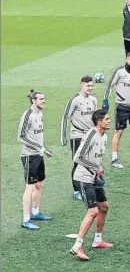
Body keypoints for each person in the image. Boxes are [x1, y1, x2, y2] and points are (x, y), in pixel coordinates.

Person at [70, 109, 113, 261]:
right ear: (99, 122)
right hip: (83, 178)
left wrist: (98, 171)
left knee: (104, 207)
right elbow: (78, 157)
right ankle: (77, 245)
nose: (109, 121)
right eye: (107, 119)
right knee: (93, 211)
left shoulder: (105, 136)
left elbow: (97, 158)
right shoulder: (91, 135)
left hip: (94, 177)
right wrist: (96, 168)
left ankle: (98, 240)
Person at [18, 90, 53, 230]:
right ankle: (26, 220)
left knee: (40, 184)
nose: (43, 101)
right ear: (34, 100)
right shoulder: (28, 115)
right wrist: (38, 148)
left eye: (44, 98)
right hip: (29, 156)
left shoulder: (40, 113)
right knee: (30, 187)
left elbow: (37, 135)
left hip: (38, 154)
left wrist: (44, 149)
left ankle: (36, 212)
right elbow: (20, 137)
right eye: (41, 99)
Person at [61, 75, 98, 200]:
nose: (90, 88)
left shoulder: (93, 100)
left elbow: (95, 118)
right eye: (88, 86)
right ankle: (76, 190)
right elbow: (66, 117)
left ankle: (90, 184)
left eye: (92, 85)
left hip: (90, 135)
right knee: (78, 162)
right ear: (81, 85)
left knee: (92, 160)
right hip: (77, 135)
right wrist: (63, 137)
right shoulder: (75, 100)